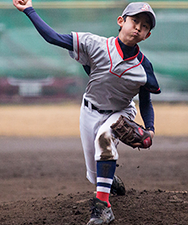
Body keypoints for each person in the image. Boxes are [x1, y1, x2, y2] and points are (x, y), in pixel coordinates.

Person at [12, 1, 161, 224]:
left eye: (145, 26)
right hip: (89, 110)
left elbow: (146, 100)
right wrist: (29, 10)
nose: (139, 27)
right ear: (121, 21)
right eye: (135, 21)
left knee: (105, 137)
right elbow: (53, 37)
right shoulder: (95, 44)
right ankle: (109, 181)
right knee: (93, 174)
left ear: (147, 36)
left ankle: (103, 208)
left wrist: (149, 129)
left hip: (120, 112)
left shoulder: (144, 67)